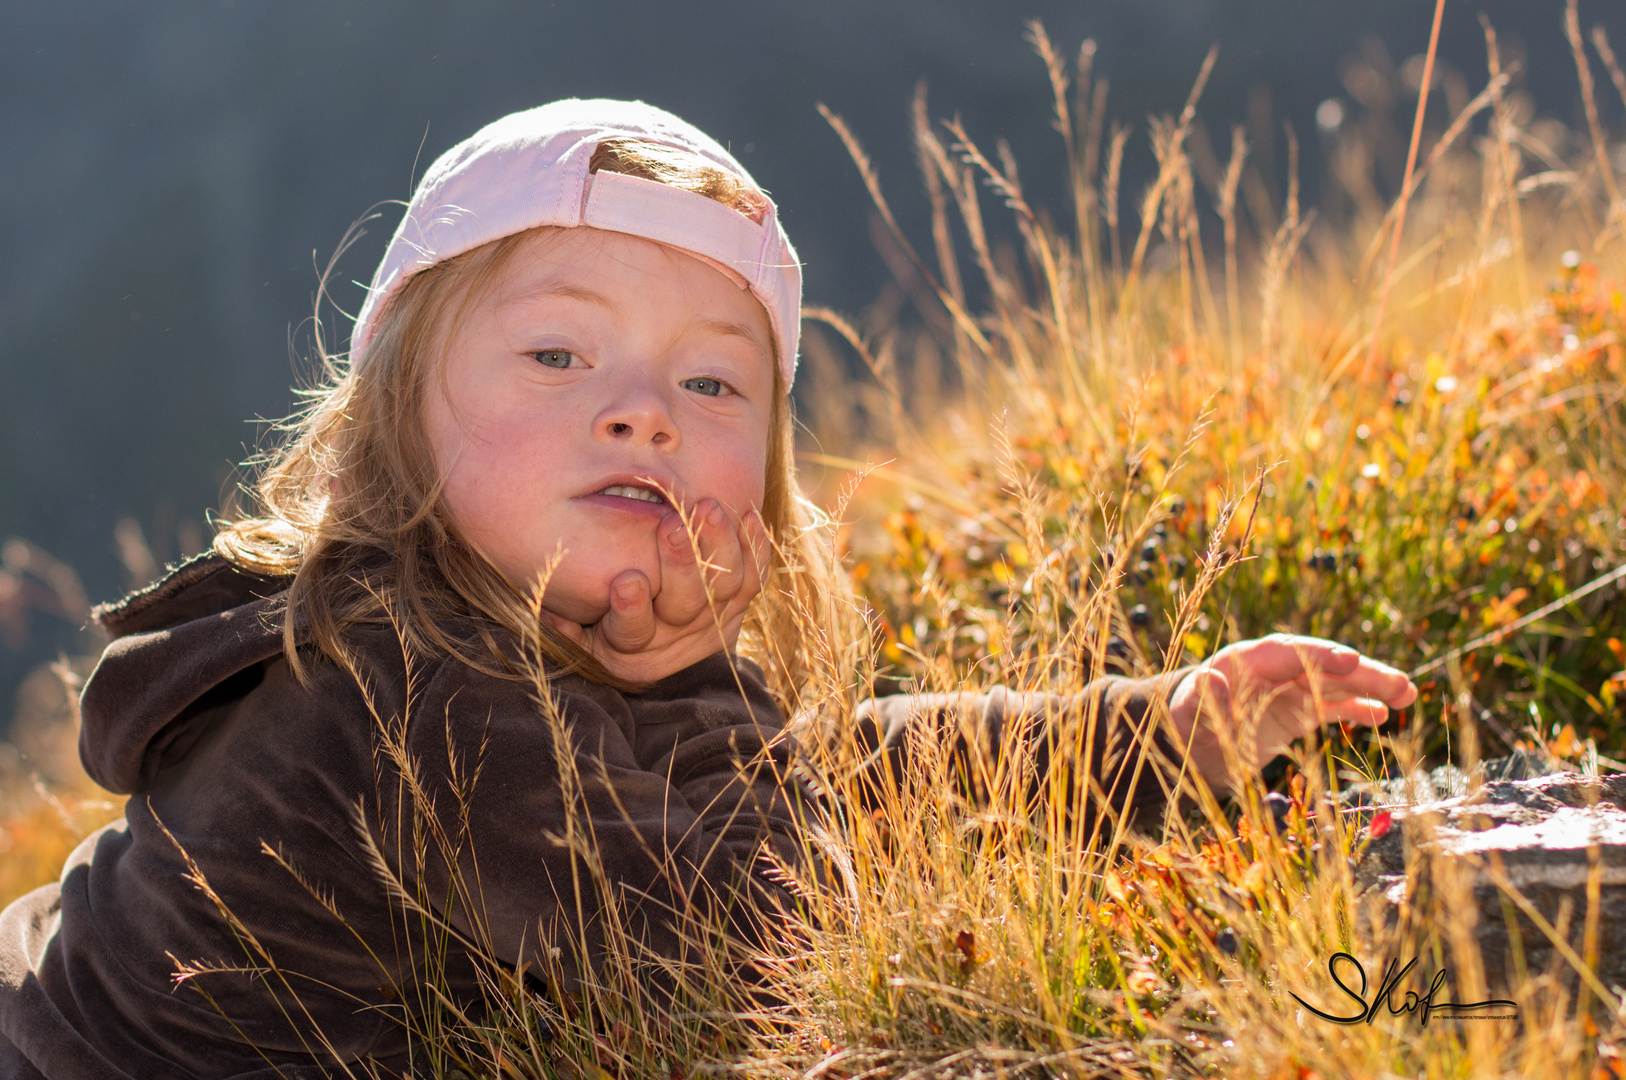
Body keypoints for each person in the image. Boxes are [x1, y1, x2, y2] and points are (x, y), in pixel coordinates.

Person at [0, 99, 1416, 1077]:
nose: (644, 414)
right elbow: (768, 941)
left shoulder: (493, 637)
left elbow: (799, 777)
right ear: (393, 418)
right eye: (558, 356)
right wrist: (683, 681)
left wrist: (1145, 735)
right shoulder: (389, 695)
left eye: (713, 381)